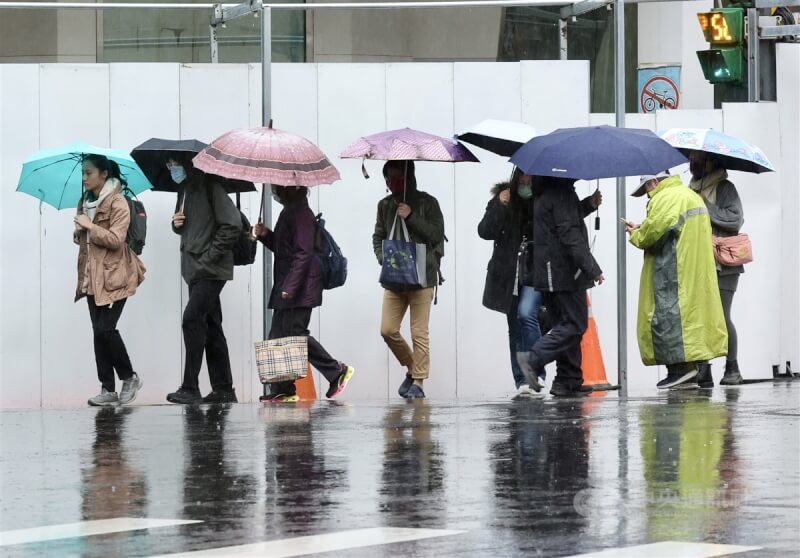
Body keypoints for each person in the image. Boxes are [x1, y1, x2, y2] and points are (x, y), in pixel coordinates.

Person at [626, 172, 728, 389]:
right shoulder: (690, 195)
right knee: (691, 321)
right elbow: (671, 228)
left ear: (654, 181)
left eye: (646, 188)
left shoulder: (666, 198)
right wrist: (643, 227)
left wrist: (635, 234)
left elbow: (652, 235)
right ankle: (689, 370)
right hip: (693, 270)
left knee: (668, 317)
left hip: (672, 271)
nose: (647, 195)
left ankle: (681, 370)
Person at [254, 186, 355, 402]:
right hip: (289, 284)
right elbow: (285, 249)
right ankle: (283, 389)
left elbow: (304, 253)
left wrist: (290, 286)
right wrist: (266, 236)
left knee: (297, 335)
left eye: (278, 187)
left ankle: (337, 371)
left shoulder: (301, 213)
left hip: (299, 287)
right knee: (278, 337)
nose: (275, 191)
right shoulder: (290, 211)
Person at [519, 176, 604, 397]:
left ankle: (568, 380)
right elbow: (570, 235)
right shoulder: (562, 194)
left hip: (550, 273)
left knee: (564, 324)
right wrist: (592, 268)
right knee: (575, 325)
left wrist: (587, 205)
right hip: (564, 272)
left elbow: (562, 221)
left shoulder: (548, 192)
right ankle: (533, 359)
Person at [166, 154, 240, 404]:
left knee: (192, 319)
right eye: (168, 164)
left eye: (174, 163)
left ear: (188, 163)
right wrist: (176, 224)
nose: (171, 168)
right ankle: (224, 389)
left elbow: (232, 224)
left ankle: (190, 387)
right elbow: (191, 227)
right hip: (194, 270)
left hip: (210, 270)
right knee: (211, 327)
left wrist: (209, 257)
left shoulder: (211, 186)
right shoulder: (184, 190)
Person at [74, 154, 146, 407]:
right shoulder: (84, 202)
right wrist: (80, 230)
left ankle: (130, 377)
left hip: (117, 276)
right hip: (92, 276)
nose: (84, 178)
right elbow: (84, 242)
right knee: (98, 332)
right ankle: (107, 388)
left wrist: (90, 227)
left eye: (88, 173)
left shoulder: (118, 203)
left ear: (104, 174)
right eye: (82, 173)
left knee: (106, 328)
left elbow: (116, 240)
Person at [373, 160, 445, 400]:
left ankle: (418, 382)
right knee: (388, 329)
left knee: (419, 332)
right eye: (389, 179)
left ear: (409, 177)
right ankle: (414, 367)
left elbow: (436, 234)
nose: (393, 184)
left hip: (422, 276)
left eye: (398, 178)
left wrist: (411, 215)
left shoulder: (428, 202)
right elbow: (378, 236)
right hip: (394, 278)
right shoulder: (384, 206)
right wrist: (383, 258)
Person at [478, 168, 539, 397]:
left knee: (529, 318)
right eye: (522, 175)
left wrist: (589, 205)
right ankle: (522, 380)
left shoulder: (540, 198)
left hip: (534, 271)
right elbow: (484, 231)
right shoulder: (504, 198)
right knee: (515, 327)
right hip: (509, 274)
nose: (526, 180)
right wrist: (500, 204)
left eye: (530, 176)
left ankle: (534, 374)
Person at [688, 151, 745, 386]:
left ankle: (732, 368)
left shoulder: (725, 187)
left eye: (699, 160)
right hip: (698, 263)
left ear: (712, 162)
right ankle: (703, 369)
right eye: (691, 160)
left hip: (724, 264)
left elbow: (735, 219)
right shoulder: (690, 189)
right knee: (700, 318)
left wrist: (705, 206)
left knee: (721, 316)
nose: (694, 165)